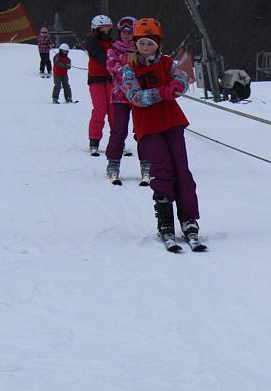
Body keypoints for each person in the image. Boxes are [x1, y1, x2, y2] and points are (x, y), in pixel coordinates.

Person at [120, 18, 202, 243]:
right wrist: (161, 93)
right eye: (142, 43)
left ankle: (189, 218)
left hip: (172, 121)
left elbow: (183, 79)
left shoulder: (167, 63)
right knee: (162, 170)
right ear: (136, 44)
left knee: (181, 169)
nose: (146, 48)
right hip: (148, 126)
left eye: (150, 44)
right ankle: (165, 218)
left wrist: (178, 86)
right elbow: (134, 96)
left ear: (158, 44)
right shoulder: (129, 69)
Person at [105, 16, 149, 186]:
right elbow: (113, 69)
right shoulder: (113, 50)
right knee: (118, 131)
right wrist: (129, 69)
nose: (126, 35)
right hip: (120, 97)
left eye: (130, 32)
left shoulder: (142, 49)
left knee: (142, 131)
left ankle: (147, 165)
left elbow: (147, 68)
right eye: (123, 32)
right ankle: (113, 164)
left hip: (139, 96)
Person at [85, 14, 114, 156]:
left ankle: (116, 142)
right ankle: (94, 141)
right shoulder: (91, 41)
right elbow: (99, 56)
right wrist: (112, 61)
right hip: (96, 79)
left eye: (108, 28)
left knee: (114, 110)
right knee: (100, 109)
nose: (106, 31)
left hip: (110, 79)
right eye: (104, 28)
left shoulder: (113, 42)